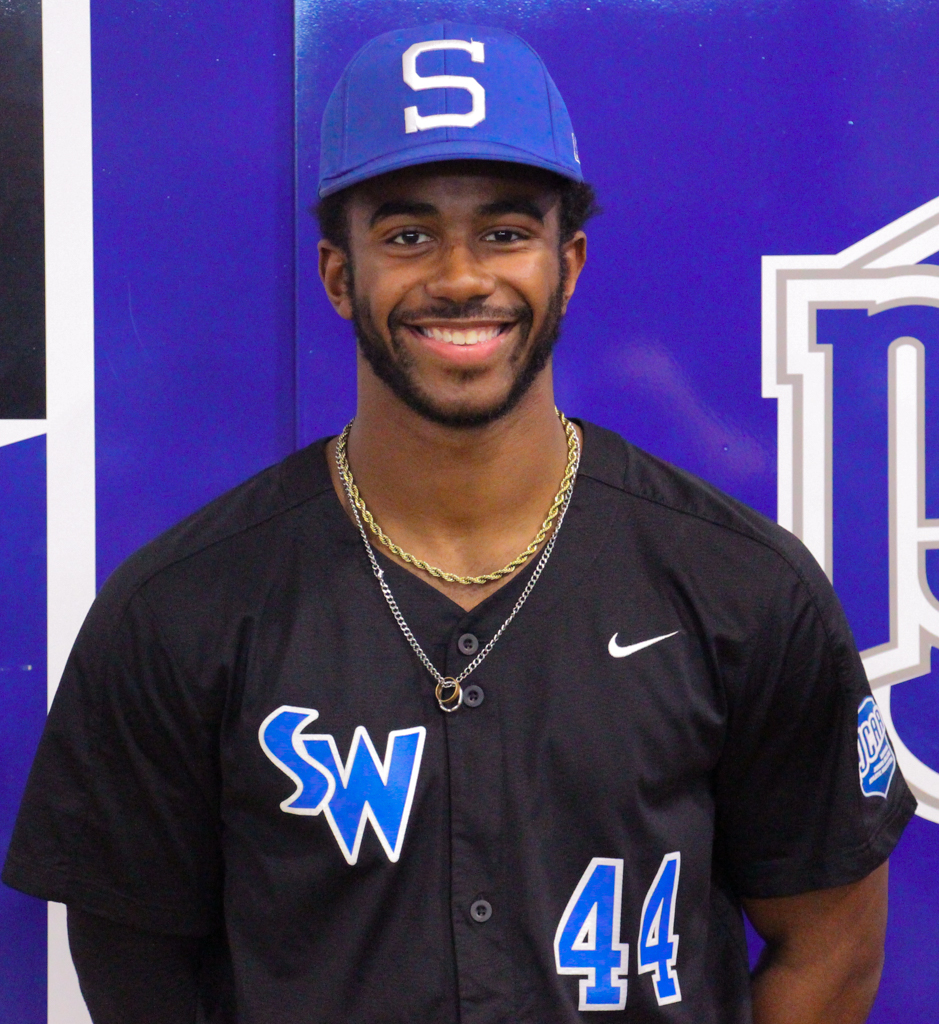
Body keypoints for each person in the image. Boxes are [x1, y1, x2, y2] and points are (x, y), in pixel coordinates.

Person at [3, 21, 915, 1024]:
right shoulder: (179, 609)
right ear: (338, 275)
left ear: (568, 264)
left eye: (505, 232)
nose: (461, 276)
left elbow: (831, 945)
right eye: (407, 236)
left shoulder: (740, 585)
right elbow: (135, 973)